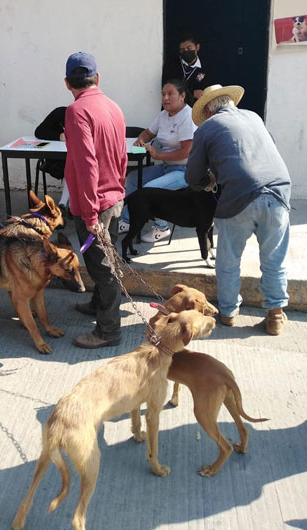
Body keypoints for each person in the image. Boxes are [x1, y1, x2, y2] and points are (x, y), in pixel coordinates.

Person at [185, 84, 291, 335]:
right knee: (274, 259)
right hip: (278, 193)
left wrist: (208, 182)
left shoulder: (207, 128)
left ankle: (229, 313)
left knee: (229, 259)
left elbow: (192, 176)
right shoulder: (254, 117)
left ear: (209, 110)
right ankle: (275, 315)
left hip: (239, 197)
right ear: (230, 102)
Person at [63, 52, 127, 349]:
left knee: (104, 269)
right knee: (104, 260)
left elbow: (87, 164)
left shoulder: (77, 111)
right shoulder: (113, 107)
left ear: (67, 83)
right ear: (97, 78)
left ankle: (108, 331)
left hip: (96, 203)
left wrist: (89, 213)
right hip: (112, 197)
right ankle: (97, 305)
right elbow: (122, 156)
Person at [119, 79, 196, 243]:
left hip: (184, 170)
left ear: (182, 96)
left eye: (170, 94)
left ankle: (162, 227)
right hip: (167, 167)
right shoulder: (163, 115)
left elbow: (185, 152)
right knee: (132, 179)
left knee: (150, 189)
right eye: (163, 94)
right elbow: (148, 133)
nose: (166, 98)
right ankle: (127, 220)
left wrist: (159, 156)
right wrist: (141, 139)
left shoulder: (187, 117)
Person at [34, 106, 70, 211]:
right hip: (57, 160)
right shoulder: (60, 113)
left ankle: (66, 203)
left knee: (76, 166)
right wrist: (59, 136)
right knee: (72, 166)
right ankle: (67, 204)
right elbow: (39, 131)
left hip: (80, 158)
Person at [162, 32, 209, 107]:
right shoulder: (172, 65)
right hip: (173, 108)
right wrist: (192, 93)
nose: (186, 51)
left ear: (197, 47)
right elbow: (170, 88)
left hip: (194, 110)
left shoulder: (205, 67)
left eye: (189, 48)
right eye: (182, 50)